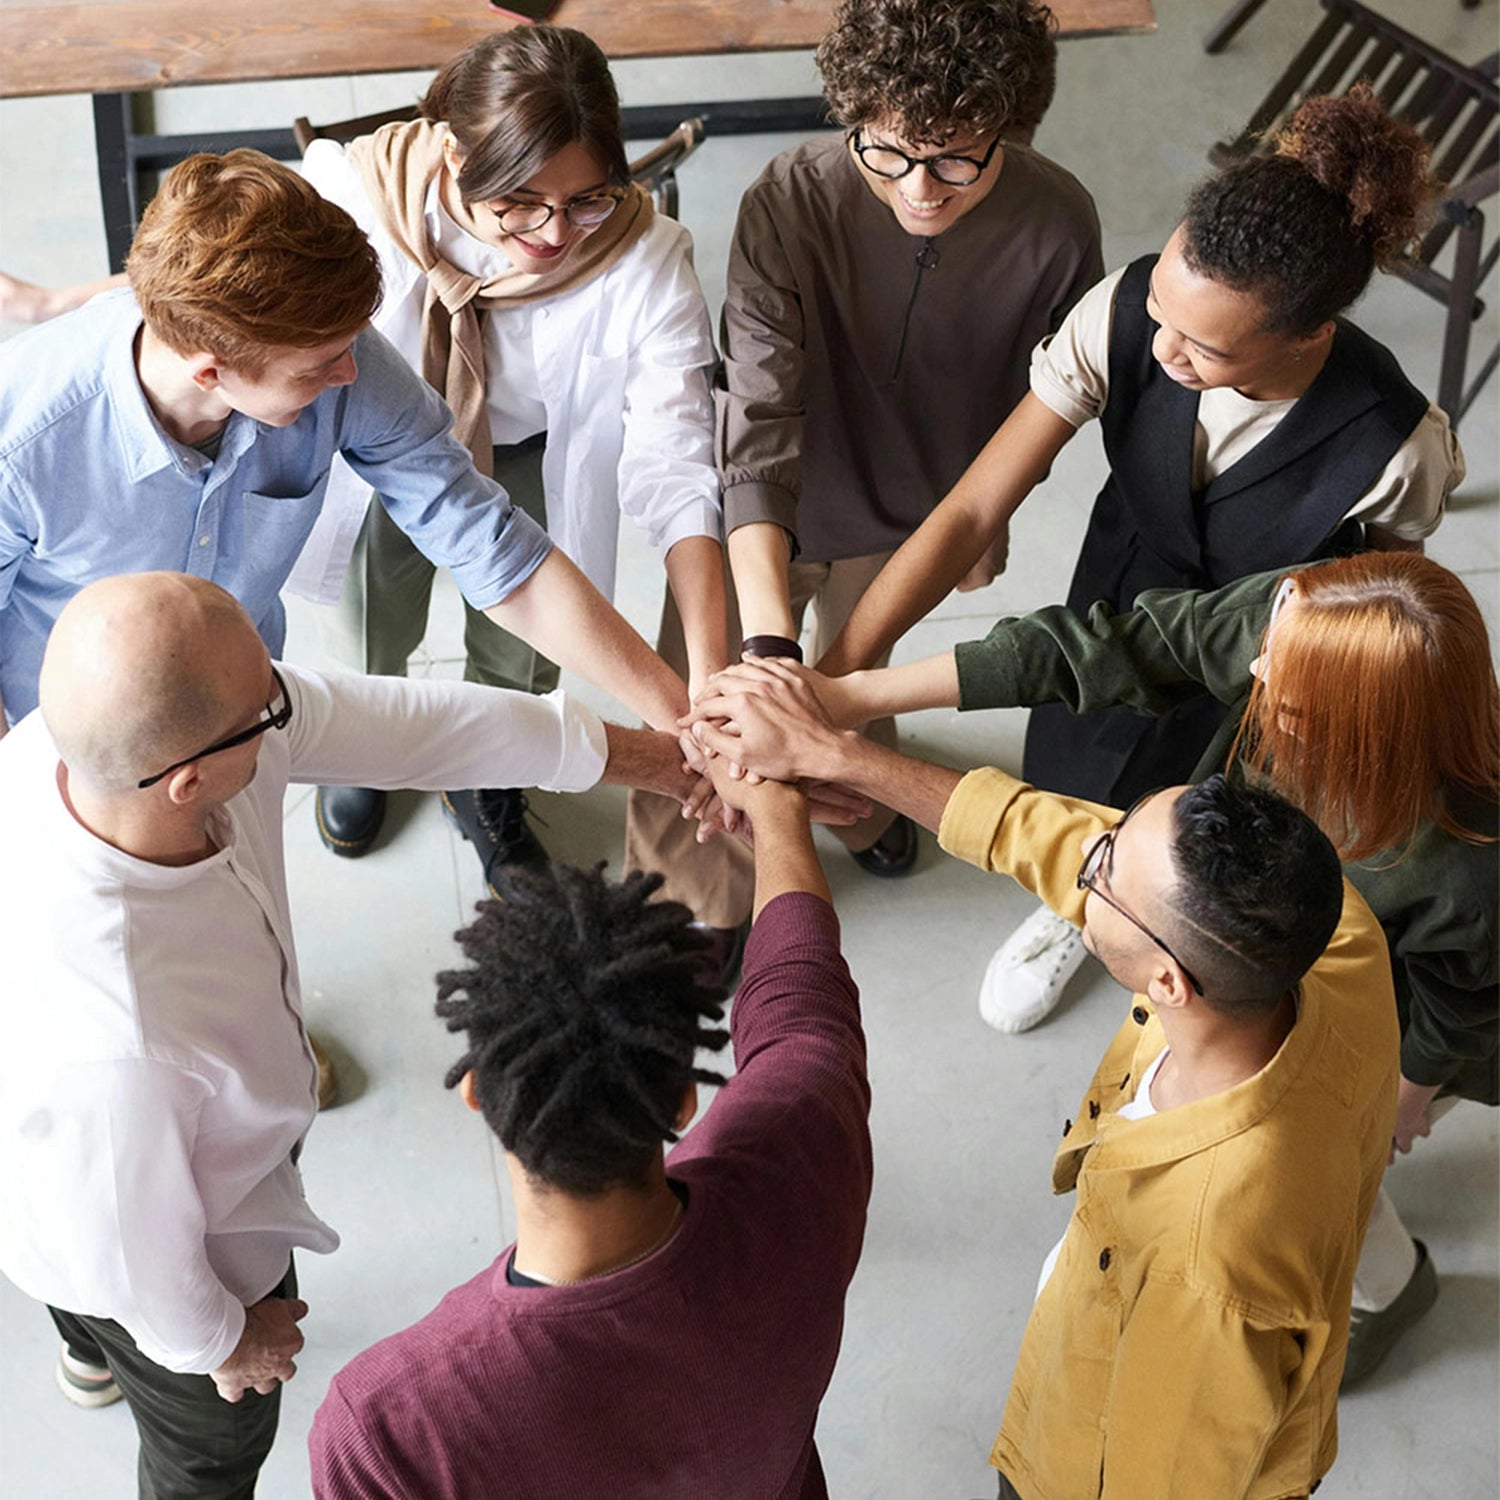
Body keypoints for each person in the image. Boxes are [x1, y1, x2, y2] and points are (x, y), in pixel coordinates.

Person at [0, 570, 702, 1497]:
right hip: (159, 1254)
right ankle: (115, 1357)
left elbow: (409, 725)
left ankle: (91, 1354)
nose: (287, 708)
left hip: (92, 1166)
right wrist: (221, 1341)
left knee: (96, 1304)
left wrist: (653, 758)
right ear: (189, 782)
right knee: (206, 1450)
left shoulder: (91, 738)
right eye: (267, 709)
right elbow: (122, 1250)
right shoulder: (124, 1040)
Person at [749, 550, 1499, 1381]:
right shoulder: (1304, 619)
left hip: (1406, 1029)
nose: (1252, 666)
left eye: (1278, 691)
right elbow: (1120, 650)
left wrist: (1401, 1098)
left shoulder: (1464, 870)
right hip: (1269, 973)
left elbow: (1462, 1010)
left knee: (1334, 1173)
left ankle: (1391, 1292)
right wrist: (847, 707)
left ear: (1358, 731)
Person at [814, 83, 1464, 1033]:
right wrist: (837, 676)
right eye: (1160, 309)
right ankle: (1074, 904)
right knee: (1076, 752)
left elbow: (1378, 610)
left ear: (1311, 336)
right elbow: (967, 511)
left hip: (1257, 663)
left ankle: (1151, 932)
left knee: (1197, 825)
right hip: (1120, 582)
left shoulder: (1400, 447)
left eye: (1203, 347)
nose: (1162, 351)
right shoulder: (1122, 314)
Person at [686, 661, 1399, 1499]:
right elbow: (1050, 834)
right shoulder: (1328, 930)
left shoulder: (1207, 1269)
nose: (1082, 866)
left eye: (1100, 877)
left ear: (1166, 982)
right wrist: (834, 755)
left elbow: (1159, 1480)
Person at [308, 759, 871, 1497]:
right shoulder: (803, 1142)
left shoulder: (387, 1430)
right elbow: (802, 999)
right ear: (682, 1102)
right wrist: (776, 811)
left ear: (477, 1094)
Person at [0, 147, 687, 747]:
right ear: (210, 372)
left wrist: (678, 716)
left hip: (243, 711)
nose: (349, 375)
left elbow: (489, 543)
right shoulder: (24, 437)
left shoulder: (338, 351)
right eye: (318, 368)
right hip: (56, 738)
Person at [298, 28, 737, 960]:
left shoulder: (645, 256)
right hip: (388, 441)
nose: (550, 236)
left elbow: (675, 454)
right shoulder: (355, 193)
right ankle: (372, 741)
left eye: (586, 201)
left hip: (531, 450)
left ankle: (487, 775)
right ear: (456, 156)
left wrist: (703, 678)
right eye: (519, 204)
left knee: (523, 646)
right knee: (375, 607)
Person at [667, 0, 1100, 897]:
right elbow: (758, 418)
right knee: (708, 691)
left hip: (920, 515)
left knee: (859, 680)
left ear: (1007, 125)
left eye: (955, 158)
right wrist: (772, 657)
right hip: (764, 513)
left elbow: (1042, 409)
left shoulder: (1059, 224)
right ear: (852, 112)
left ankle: (855, 799)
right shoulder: (786, 200)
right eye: (888, 153)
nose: (919, 189)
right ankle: (698, 891)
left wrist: (811, 701)